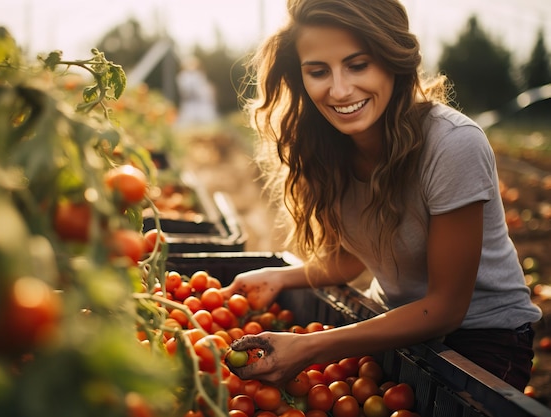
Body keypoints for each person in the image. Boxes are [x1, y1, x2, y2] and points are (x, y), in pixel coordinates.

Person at [220, 0, 542, 392]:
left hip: (482, 341)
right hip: (397, 322)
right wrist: (281, 276)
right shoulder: (331, 146)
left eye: (359, 65)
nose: (339, 89)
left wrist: (310, 348)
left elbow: (446, 308)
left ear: (393, 59)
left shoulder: (452, 144)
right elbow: (357, 255)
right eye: (318, 71)